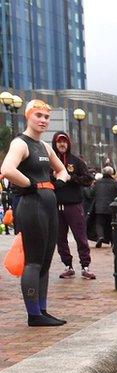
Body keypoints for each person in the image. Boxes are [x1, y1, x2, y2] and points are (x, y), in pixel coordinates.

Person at [0, 99, 70, 326]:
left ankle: (42, 310)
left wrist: (58, 182)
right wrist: (29, 184)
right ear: (27, 116)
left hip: (48, 204)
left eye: (46, 117)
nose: (43, 120)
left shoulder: (44, 146)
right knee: (34, 262)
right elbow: (7, 169)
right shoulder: (21, 144)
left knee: (46, 261)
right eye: (38, 115)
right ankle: (33, 314)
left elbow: (62, 170)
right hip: (32, 205)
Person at [52, 131, 95, 280]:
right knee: (60, 238)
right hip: (56, 206)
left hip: (74, 205)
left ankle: (85, 266)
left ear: (68, 143)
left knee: (80, 236)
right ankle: (68, 266)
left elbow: (89, 178)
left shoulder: (76, 161)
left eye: (64, 141)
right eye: (59, 142)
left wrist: (72, 178)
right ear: (55, 144)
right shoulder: (49, 161)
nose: (62, 144)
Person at [91, 166, 117, 247]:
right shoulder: (116, 183)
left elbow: (91, 194)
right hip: (112, 207)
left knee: (99, 223)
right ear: (112, 173)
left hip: (99, 207)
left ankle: (100, 236)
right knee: (111, 224)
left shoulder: (97, 183)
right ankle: (113, 241)